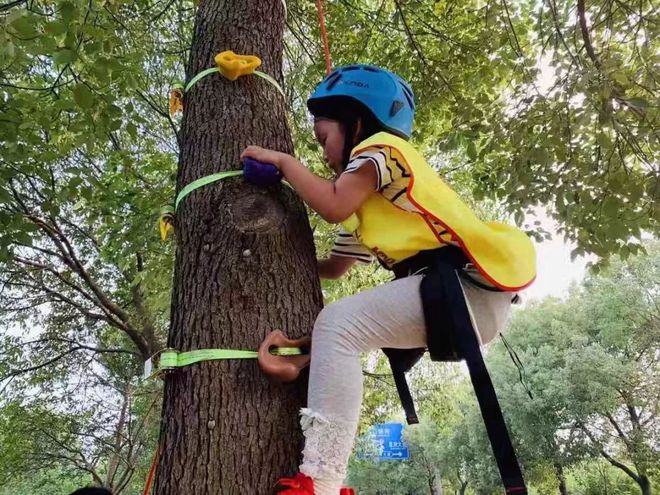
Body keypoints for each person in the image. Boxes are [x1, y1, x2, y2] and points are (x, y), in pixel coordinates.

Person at [241, 64, 535, 495]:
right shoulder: (371, 207)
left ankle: (320, 481)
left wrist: (284, 163)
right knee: (336, 332)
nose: (322, 154)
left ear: (357, 122)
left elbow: (334, 203)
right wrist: (286, 272)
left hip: (461, 288)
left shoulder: (382, 150)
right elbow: (334, 268)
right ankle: (320, 422)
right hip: (456, 296)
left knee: (338, 325)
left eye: (324, 138)